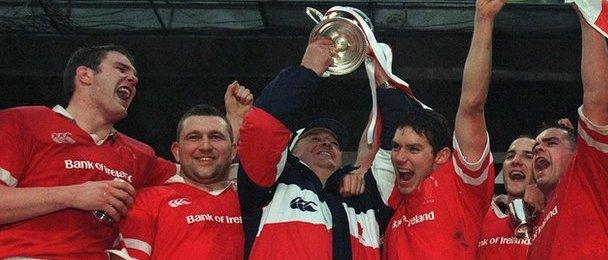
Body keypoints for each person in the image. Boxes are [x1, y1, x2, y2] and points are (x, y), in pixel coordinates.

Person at [0, 44, 178, 259]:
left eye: (134, 75)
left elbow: (207, 172)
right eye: (121, 69)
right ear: (85, 75)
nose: (133, 79)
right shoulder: (23, 121)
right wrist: (74, 195)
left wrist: (231, 129)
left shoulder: (138, 153)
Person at [237, 37, 393, 259]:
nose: (326, 143)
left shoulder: (363, 199)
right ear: (293, 150)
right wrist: (308, 70)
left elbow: (394, 146)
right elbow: (264, 128)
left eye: (334, 143)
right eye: (314, 138)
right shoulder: (270, 187)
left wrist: (383, 82)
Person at [379, 0, 502, 257]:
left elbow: (472, 105)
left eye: (414, 149)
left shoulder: (460, 186)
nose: (400, 157)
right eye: (396, 147)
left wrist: (483, 20)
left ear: (442, 156)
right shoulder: (395, 208)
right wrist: (380, 82)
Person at [108, 82, 253, 259]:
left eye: (215, 137)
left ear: (233, 150)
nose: (205, 146)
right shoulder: (148, 200)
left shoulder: (250, 200)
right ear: (176, 151)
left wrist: (236, 121)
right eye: (194, 137)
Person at [527, 9, 608, 257]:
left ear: (578, 151)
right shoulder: (534, 230)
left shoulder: (591, 173)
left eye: (551, 142)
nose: (538, 148)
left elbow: (597, 102)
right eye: (536, 147)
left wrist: (588, 11)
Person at [477, 136, 535, 259]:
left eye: (528, 156)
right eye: (510, 156)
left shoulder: (551, 216)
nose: (516, 161)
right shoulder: (480, 216)